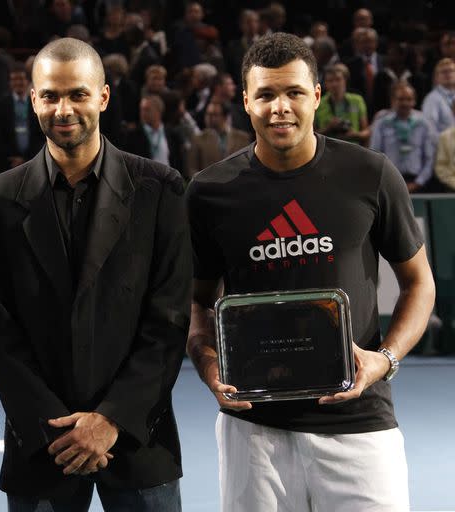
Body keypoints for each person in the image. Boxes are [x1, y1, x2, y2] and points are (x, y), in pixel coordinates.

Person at [186, 33, 435, 512]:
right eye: (266, 95)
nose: (280, 107)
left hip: (359, 424)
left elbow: (419, 283)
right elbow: (197, 301)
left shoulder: (371, 174)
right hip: (253, 431)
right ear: (245, 102)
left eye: (294, 93)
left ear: (316, 96)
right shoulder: (209, 192)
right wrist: (207, 362)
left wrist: (385, 359)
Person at [0, 37, 190, 511]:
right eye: (50, 95)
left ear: (104, 97)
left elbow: (168, 323)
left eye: (78, 94)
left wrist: (111, 420)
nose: (63, 108)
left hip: (137, 441)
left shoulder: (160, 189)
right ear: (32, 100)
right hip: (43, 445)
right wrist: (60, 430)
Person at [370, 82, 437, 193]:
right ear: (393, 101)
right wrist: (386, 181)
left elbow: (430, 159)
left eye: (409, 99)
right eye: (401, 99)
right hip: (389, 183)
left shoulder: (424, 124)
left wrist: (418, 183)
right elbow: (375, 155)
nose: (405, 103)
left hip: (418, 184)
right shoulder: (381, 124)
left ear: (414, 101)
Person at [314, 63, 369, 145]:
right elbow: (312, 134)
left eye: (338, 79)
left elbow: (366, 132)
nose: (334, 84)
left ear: (345, 80)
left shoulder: (357, 100)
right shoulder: (318, 103)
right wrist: (328, 128)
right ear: (325, 84)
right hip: (328, 149)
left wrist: (355, 134)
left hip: (353, 148)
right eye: (330, 81)